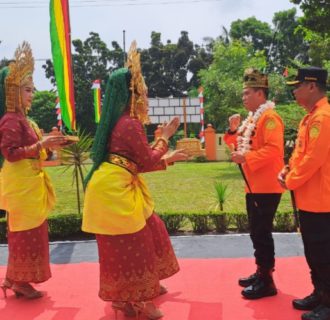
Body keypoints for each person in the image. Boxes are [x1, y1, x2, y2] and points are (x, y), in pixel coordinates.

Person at [82, 41, 188, 319]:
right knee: (134, 245)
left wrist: (168, 157)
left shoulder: (125, 122)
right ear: (132, 94)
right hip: (115, 192)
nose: (146, 96)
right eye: (143, 91)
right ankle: (137, 301)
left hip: (117, 186)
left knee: (152, 229)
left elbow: (137, 163)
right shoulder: (128, 124)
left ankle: (133, 294)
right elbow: (146, 161)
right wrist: (165, 137)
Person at [0, 42, 66, 299]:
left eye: (32, 89)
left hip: (29, 183)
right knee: (25, 233)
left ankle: (15, 278)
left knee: (30, 233)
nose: (33, 94)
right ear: (13, 92)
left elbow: (34, 149)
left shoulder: (23, 119)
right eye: (27, 90)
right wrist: (41, 143)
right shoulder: (10, 120)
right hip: (21, 184)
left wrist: (49, 143)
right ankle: (19, 281)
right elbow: (10, 153)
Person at [224, 68, 284, 299]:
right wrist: (231, 130)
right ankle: (261, 271)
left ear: (260, 94)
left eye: (247, 93)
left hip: (267, 186)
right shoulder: (253, 118)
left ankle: (267, 281)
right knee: (256, 232)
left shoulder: (270, 118)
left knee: (262, 232)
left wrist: (246, 157)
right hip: (253, 185)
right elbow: (238, 139)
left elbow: (273, 150)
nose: (243, 97)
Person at [279, 67, 330, 320]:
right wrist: (286, 169)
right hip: (309, 198)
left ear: (312, 86)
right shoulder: (309, 117)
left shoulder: (324, 117)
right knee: (313, 250)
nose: (294, 91)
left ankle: (329, 303)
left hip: (322, 200)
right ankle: (320, 294)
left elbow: (314, 159)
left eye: (297, 86)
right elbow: (299, 154)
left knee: (323, 253)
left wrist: (290, 180)